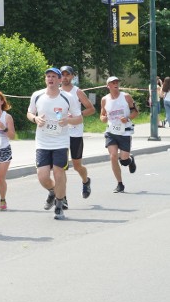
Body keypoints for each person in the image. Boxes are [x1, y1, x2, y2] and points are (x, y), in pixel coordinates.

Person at [27, 67, 82, 221]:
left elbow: (79, 118)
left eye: (53, 76)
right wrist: (35, 119)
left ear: (59, 80)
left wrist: (68, 120)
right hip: (42, 142)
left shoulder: (67, 97)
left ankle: (59, 205)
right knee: (42, 176)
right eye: (48, 76)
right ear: (46, 79)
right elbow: (29, 112)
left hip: (60, 141)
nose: (50, 79)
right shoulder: (37, 95)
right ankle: (53, 191)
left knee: (59, 173)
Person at [60, 65, 96, 203]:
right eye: (62, 75)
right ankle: (62, 197)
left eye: (67, 75)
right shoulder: (56, 92)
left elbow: (91, 109)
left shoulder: (78, 92)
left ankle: (86, 181)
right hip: (61, 134)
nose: (65, 77)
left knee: (77, 166)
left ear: (72, 76)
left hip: (75, 133)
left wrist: (77, 115)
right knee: (61, 167)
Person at [100, 75, 138, 193]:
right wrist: (104, 119)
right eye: (113, 82)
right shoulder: (104, 99)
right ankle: (120, 184)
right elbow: (102, 115)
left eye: (117, 82)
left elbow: (135, 112)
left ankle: (130, 160)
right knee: (113, 157)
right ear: (108, 86)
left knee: (124, 159)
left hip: (125, 131)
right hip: (111, 131)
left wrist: (127, 118)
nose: (115, 83)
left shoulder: (126, 97)